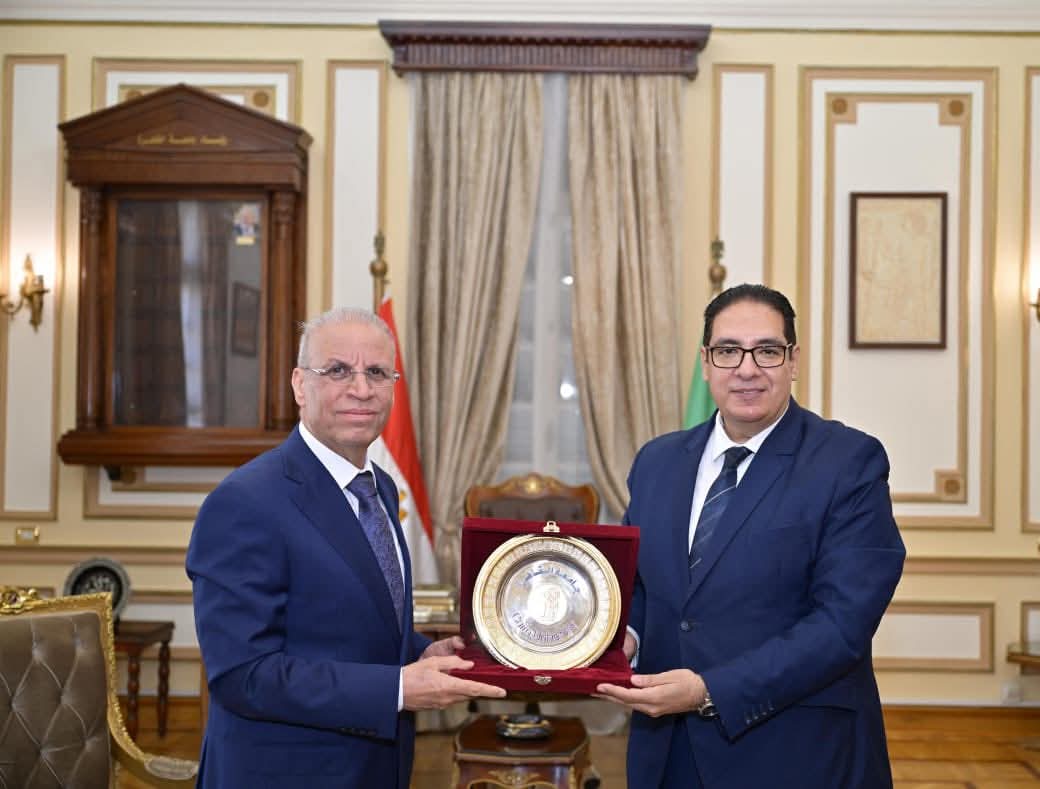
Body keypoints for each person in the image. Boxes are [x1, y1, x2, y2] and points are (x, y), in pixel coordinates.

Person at [596, 284, 905, 788]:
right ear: (706, 363)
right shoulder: (656, 461)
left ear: (793, 360)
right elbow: (640, 586)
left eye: (766, 350)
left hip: (793, 752)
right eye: (727, 351)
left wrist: (709, 690)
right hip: (666, 749)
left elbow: (842, 625)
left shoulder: (848, 462)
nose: (746, 369)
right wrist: (621, 638)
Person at [186, 307, 505, 788]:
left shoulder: (379, 488)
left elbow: (355, 626)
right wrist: (398, 688)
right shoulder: (244, 502)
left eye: (376, 372)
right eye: (337, 370)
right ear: (300, 385)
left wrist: (420, 653)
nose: (361, 389)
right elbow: (243, 675)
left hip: (378, 767)